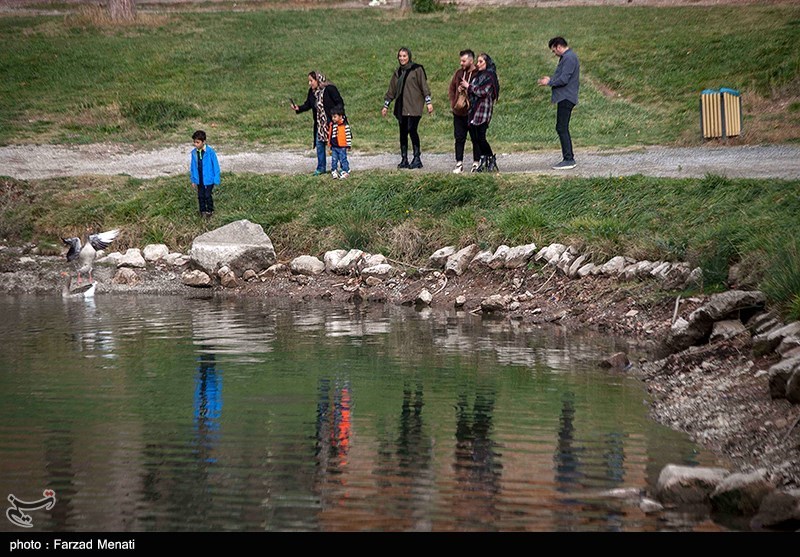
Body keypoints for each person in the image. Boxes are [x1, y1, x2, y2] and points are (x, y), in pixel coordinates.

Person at [381, 47, 434, 170]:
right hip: (402, 107)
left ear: (409, 56)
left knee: (412, 129)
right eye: (400, 56)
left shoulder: (417, 69)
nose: (402, 58)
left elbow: (424, 86)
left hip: (414, 106)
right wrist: (386, 105)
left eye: (404, 56)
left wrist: (428, 102)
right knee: (403, 132)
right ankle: (404, 158)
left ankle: (417, 158)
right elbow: (392, 90)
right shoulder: (398, 72)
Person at [292, 71, 345, 176]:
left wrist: (336, 115)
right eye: (309, 81)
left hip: (331, 123)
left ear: (318, 80)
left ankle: (342, 167)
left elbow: (340, 103)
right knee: (320, 145)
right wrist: (298, 108)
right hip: (320, 125)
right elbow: (307, 105)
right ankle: (321, 168)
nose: (310, 83)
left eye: (311, 81)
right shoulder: (312, 92)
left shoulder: (330, 89)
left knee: (335, 145)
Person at [538, 37, 580, 170]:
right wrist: (551, 79)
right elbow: (562, 77)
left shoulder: (569, 58)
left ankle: (569, 159)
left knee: (562, 127)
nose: (554, 53)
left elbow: (564, 79)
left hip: (566, 97)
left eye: (554, 50)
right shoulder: (568, 57)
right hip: (565, 97)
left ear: (558, 46)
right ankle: (568, 158)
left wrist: (549, 82)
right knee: (561, 127)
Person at [461, 52, 500, 173]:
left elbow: (484, 92)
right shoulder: (478, 76)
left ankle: (490, 159)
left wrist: (469, 87)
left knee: (481, 137)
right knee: (476, 137)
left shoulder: (490, 76)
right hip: (474, 110)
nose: (478, 64)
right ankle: (484, 159)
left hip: (483, 109)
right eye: (477, 62)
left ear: (487, 62)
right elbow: (472, 89)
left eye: (481, 62)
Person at [448, 49, 479, 174]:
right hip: (458, 112)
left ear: (471, 61)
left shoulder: (478, 74)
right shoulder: (459, 73)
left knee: (475, 138)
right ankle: (459, 162)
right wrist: (454, 102)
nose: (461, 63)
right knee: (459, 138)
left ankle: (476, 162)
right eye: (461, 60)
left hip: (473, 112)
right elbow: (451, 88)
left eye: (464, 61)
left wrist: (468, 88)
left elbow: (480, 91)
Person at [189, 130, 220, 218]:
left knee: (207, 195)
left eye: (197, 142)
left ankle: (210, 210)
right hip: (199, 178)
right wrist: (193, 179)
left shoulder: (210, 152)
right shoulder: (194, 153)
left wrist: (216, 178)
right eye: (194, 142)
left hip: (209, 178)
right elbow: (192, 167)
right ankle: (202, 211)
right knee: (200, 195)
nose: (195, 144)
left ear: (204, 142)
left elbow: (216, 165)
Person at [327, 106, 352, 180]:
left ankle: (346, 171)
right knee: (334, 159)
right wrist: (329, 143)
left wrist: (349, 145)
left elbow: (348, 136)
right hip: (334, 146)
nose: (333, 118)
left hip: (342, 146)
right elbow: (331, 135)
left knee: (343, 159)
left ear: (340, 116)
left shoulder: (345, 126)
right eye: (332, 117)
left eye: (335, 117)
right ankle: (334, 170)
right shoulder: (333, 125)